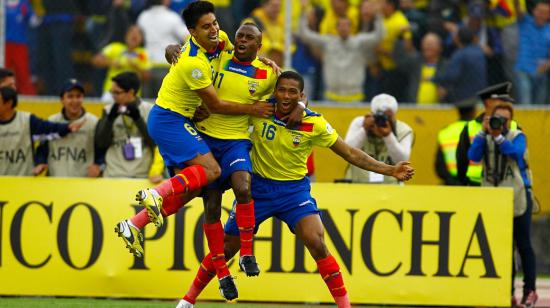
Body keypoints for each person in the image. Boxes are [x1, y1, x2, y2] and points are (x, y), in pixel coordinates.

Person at [176, 71, 415, 308]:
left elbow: (351, 153)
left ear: (301, 95)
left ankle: (345, 306)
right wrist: (199, 113)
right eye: (282, 90)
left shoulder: (314, 123)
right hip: (256, 190)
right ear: (275, 92)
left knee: (317, 242)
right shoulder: (260, 111)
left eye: (293, 92)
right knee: (227, 248)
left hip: (294, 193)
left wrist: (390, 170)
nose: (286, 95)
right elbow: (225, 116)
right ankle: (188, 300)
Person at [115, 1, 292, 301]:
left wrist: (263, 59)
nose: (214, 30)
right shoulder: (194, 62)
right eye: (206, 26)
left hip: (203, 128)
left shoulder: (224, 43)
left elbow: (254, 62)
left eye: (215, 23)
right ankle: (157, 197)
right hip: (176, 122)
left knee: (211, 189)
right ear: (192, 32)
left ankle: (135, 223)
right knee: (209, 183)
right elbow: (216, 104)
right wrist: (253, 108)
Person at [467, 102, 538, 308]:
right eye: (497, 118)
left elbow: (516, 154)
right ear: (489, 117)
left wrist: (498, 136)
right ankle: (506, 292)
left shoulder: (517, 136)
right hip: (493, 199)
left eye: (506, 120)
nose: (501, 123)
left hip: (517, 198)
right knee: (500, 249)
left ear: (511, 121)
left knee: (523, 245)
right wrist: (483, 133)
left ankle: (529, 290)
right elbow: (473, 156)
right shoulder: (485, 136)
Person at [297, 1, 384, 102]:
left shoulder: (359, 42)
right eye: (341, 25)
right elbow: (304, 35)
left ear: (351, 28)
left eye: (346, 25)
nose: (343, 28)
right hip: (331, 96)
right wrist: (303, 13)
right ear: (337, 28)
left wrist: (378, 16)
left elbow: (379, 36)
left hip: (355, 96)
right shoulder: (328, 42)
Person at [0, 86, 84, 175]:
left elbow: (49, 129)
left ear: (9, 103)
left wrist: (67, 127)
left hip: (23, 182)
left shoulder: (27, 120)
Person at [94, 71, 156, 178]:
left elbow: (155, 143)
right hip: (113, 174)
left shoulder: (150, 110)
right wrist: (110, 119)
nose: (113, 97)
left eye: (117, 93)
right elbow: (101, 144)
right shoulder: (108, 110)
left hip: (142, 175)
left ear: (131, 92)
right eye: (111, 92)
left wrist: (138, 119)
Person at [455, 82, 518, 186]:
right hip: (476, 186)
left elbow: (520, 159)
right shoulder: (471, 127)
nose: (506, 105)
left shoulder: (515, 126)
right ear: (489, 103)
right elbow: (462, 161)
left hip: (506, 186)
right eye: (502, 101)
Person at [38, 79, 103, 177]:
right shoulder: (52, 121)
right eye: (70, 96)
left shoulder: (94, 122)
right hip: (55, 184)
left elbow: (102, 152)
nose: (75, 101)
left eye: (78, 96)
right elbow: (42, 150)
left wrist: (98, 166)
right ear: (62, 100)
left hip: (83, 185)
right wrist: (40, 163)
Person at [343, 93, 414, 184]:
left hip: (390, 186)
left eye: (388, 117)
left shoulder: (403, 130)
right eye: (379, 116)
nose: (383, 120)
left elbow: (402, 159)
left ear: (394, 115)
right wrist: (364, 130)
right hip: (357, 184)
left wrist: (388, 136)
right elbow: (347, 152)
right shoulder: (360, 123)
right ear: (372, 114)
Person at [137, 0, 190, 98]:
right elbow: (187, 37)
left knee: (148, 104)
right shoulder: (172, 17)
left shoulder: (143, 17)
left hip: (147, 68)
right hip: (167, 66)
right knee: (167, 103)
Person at [91, 24, 152, 101]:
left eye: (138, 33)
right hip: (111, 93)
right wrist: (111, 62)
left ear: (142, 39)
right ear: (126, 35)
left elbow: (148, 77)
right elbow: (95, 60)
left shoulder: (143, 54)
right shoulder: (115, 47)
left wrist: (136, 67)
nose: (134, 35)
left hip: (132, 94)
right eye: (131, 32)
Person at [513, 0, 550, 104]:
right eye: (539, 11)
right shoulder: (525, 22)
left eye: (545, 13)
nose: (541, 15)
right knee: (526, 102)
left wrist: (547, 65)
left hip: (541, 72)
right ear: (534, 11)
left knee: (539, 105)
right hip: (523, 70)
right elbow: (518, 10)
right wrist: (516, 2)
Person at [434, 99, 477, 185]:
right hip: (477, 184)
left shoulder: (445, 132)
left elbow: (439, 165)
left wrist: (451, 181)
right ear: (473, 111)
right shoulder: (480, 130)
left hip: (452, 184)